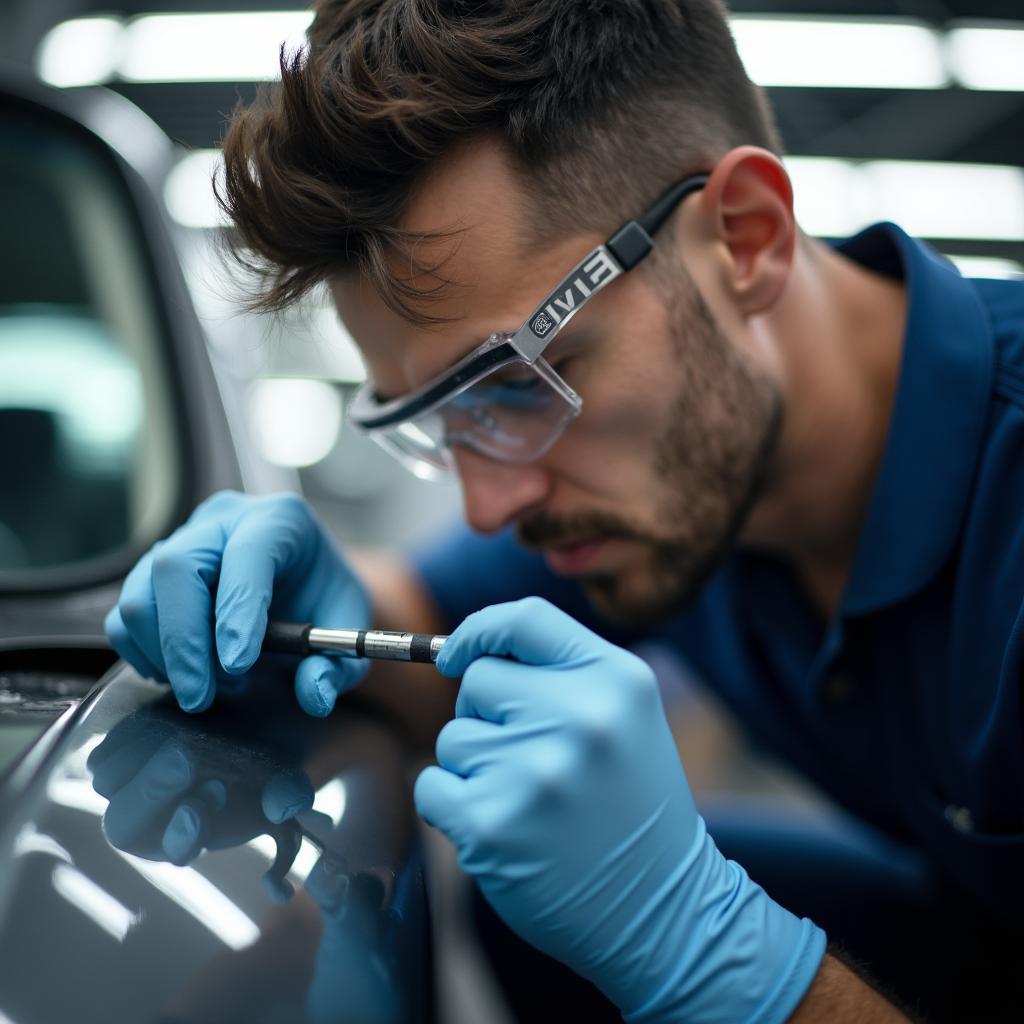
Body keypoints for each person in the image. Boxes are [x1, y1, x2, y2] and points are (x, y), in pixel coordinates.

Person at [106, 1, 1024, 1020]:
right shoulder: (681, 471)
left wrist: (712, 956)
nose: (491, 507)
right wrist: (304, 607)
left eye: (517, 383)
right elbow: (436, 626)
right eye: (440, 419)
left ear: (747, 238)